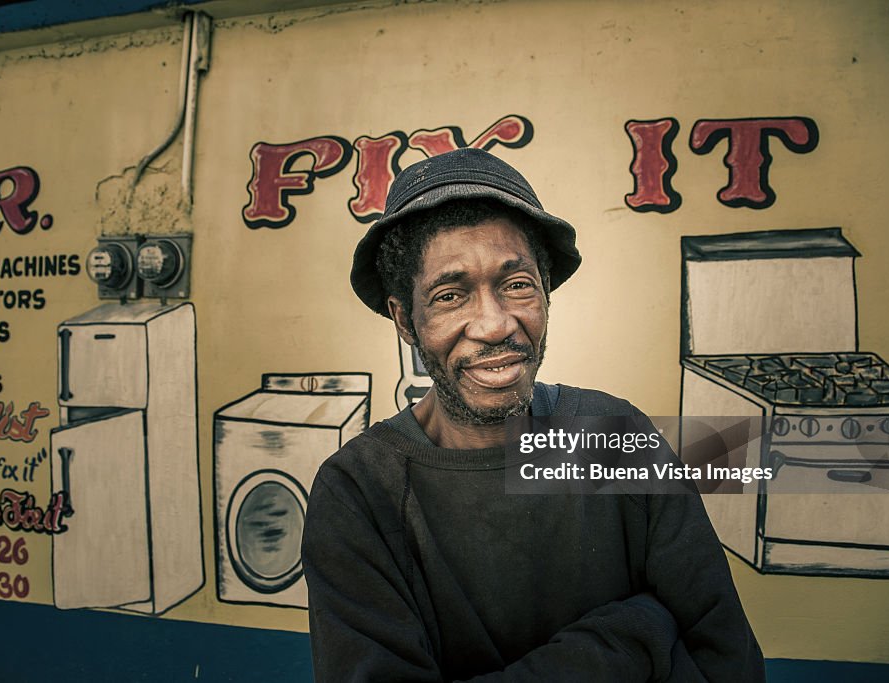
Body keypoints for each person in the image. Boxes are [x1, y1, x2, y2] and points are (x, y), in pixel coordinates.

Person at [302, 147, 765, 682]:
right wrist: (631, 637)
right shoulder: (359, 491)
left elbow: (725, 659)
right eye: (451, 296)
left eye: (517, 285)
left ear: (545, 292)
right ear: (405, 319)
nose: (495, 325)